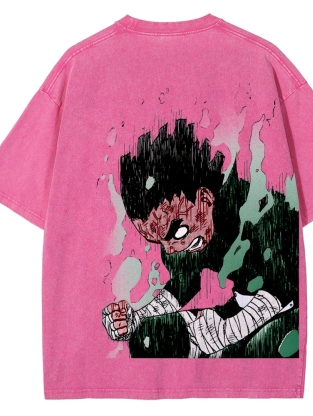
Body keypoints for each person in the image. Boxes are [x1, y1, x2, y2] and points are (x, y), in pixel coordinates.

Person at [103, 118, 299, 358]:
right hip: (245, 304)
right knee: (153, 339)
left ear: (204, 200)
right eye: (160, 242)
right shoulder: (189, 237)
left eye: (177, 232)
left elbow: (282, 285)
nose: (171, 249)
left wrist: (226, 331)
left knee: (259, 348)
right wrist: (137, 319)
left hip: (287, 303)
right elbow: (181, 287)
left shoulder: (258, 209)